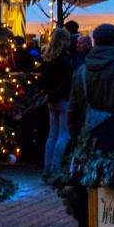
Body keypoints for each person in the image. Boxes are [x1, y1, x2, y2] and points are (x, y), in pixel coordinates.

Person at [68, 22, 114, 142]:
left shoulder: (81, 70)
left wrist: (75, 137)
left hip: (87, 134)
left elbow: (73, 109)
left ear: (95, 41)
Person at [41, 26, 75, 173]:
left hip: (51, 99)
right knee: (63, 135)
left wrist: (50, 93)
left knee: (52, 135)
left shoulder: (47, 59)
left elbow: (44, 80)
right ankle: (55, 168)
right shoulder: (65, 60)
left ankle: (47, 167)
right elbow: (66, 82)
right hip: (63, 99)